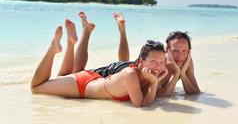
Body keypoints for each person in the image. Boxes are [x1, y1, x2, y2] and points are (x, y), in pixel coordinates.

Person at [30, 12, 167, 107]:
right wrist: (154, 83)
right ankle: (52, 50)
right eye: (154, 62)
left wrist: (155, 81)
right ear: (141, 61)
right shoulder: (131, 74)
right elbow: (141, 105)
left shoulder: (147, 74)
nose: (158, 66)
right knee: (36, 88)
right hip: (82, 86)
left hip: (92, 79)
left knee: (62, 77)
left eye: (162, 62)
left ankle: (72, 42)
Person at [112, 13, 200, 96]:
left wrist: (183, 74)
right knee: (122, 63)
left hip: (133, 70)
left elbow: (194, 92)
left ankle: (122, 30)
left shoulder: (187, 60)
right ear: (167, 50)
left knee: (123, 61)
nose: (180, 57)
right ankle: (122, 31)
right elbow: (159, 95)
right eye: (175, 51)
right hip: (125, 71)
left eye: (184, 51)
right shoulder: (160, 63)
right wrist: (177, 73)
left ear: (189, 51)